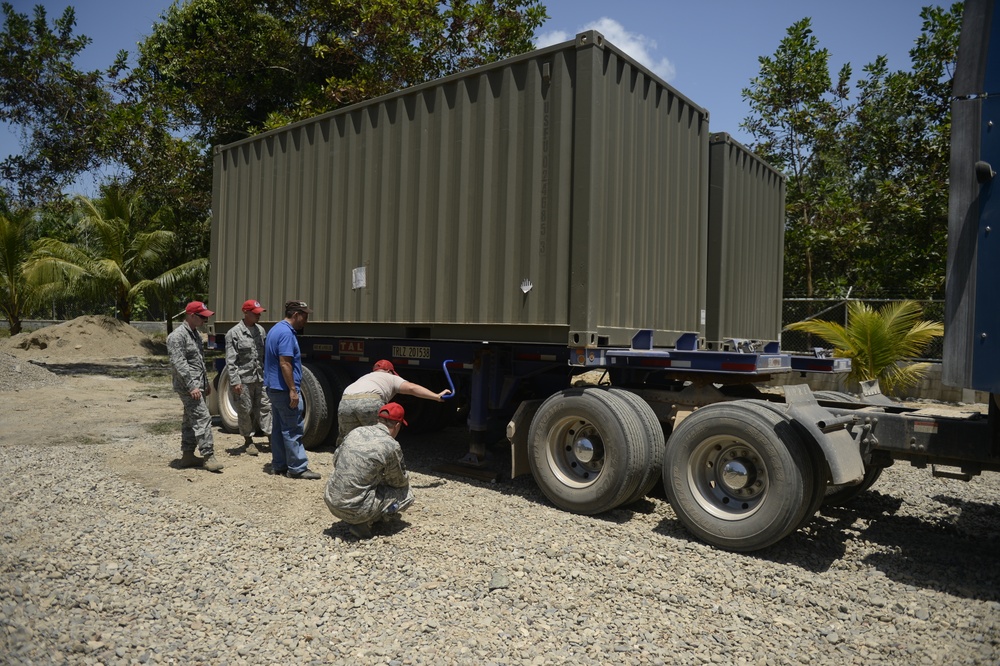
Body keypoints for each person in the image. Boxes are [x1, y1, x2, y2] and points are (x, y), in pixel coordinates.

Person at [324, 402, 415, 539]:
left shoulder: (356, 431)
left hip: (330, 500)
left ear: (378, 420)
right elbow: (398, 481)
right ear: (397, 426)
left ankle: (362, 514)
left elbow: (336, 461)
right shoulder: (391, 445)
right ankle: (364, 521)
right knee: (407, 494)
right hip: (356, 509)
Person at [263, 300, 320, 480]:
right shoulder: (286, 334)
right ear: (295, 315)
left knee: (279, 428)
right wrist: (293, 390)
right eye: (305, 316)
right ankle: (297, 468)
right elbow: (285, 363)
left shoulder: (275, 329)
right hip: (283, 389)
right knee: (293, 429)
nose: (306, 320)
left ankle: (279, 465)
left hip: (274, 387)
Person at [336, 359, 452, 447]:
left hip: (346, 402)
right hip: (369, 401)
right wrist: (436, 396)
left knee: (347, 441)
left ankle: (343, 472)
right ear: (389, 371)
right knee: (377, 440)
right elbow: (412, 388)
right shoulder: (390, 377)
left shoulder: (366, 377)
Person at [167, 301, 223, 473]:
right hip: (187, 386)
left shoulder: (195, 334)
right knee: (203, 417)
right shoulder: (177, 336)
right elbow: (180, 364)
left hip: (197, 385)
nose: (205, 320)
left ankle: (188, 455)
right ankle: (208, 456)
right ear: (191, 316)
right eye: (202, 317)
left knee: (190, 419)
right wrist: (192, 386)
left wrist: (204, 383)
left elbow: (198, 361)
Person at [225, 299, 272, 456]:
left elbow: (265, 355)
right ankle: (248, 440)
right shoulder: (234, 333)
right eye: (255, 313)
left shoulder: (261, 331)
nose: (259, 316)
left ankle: (271, 438)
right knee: (245, 410)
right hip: (244, 380)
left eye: (259, 313)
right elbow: (231, 361)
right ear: (246, 312)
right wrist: (235, 381)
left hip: (261, 378)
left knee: (265, 407)